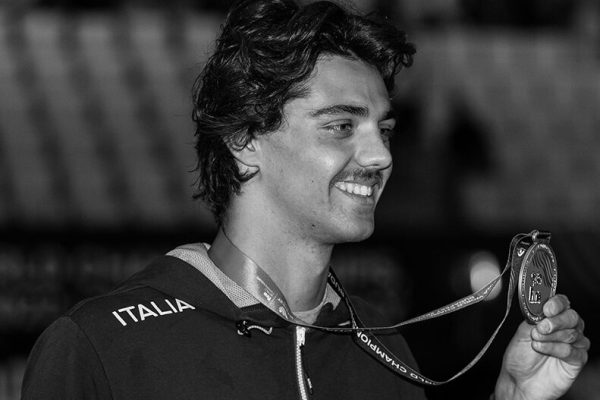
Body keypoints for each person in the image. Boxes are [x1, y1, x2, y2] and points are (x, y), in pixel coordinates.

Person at [22, 0, 590, 399]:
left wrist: (514, 397)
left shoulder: (383, 351)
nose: (381, 156)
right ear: (245, 142)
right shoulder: (101, 346)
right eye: (341, 126)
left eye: (384, 129)